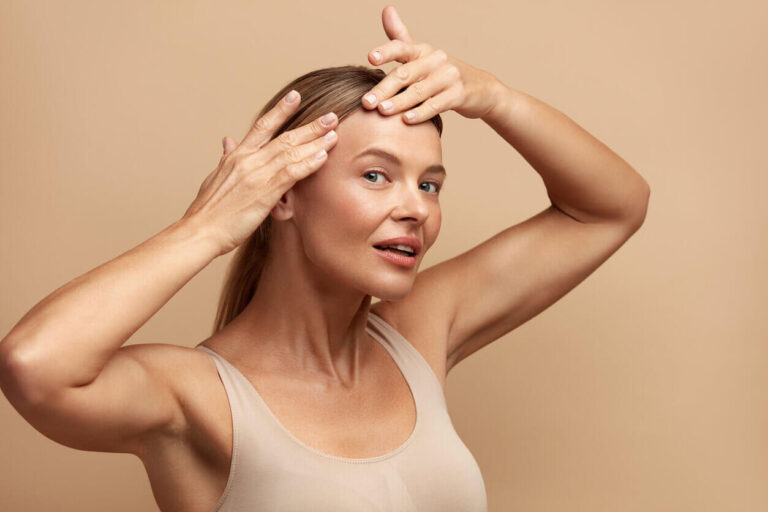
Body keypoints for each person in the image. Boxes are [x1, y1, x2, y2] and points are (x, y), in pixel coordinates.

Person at [0, 6, 650, 512]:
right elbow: (34, 366)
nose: (415, 209)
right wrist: (205, 228)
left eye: (430, 184)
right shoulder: (198, 398)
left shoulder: (416, 334)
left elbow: (611, 206)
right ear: (281, 195)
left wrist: (494, 98)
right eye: (376, 176)